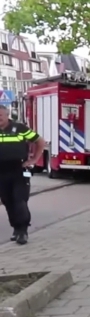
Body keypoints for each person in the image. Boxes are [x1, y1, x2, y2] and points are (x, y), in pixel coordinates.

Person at [0, 104, 46, 245]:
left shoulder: (19, 129)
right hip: (1, 172)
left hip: (18, 170)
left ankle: (23, 231)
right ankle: (15, 228)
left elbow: (40, 141)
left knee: (19, 200)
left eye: (0, 116)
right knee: (8, 202)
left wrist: (34, 159)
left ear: (7, 115)